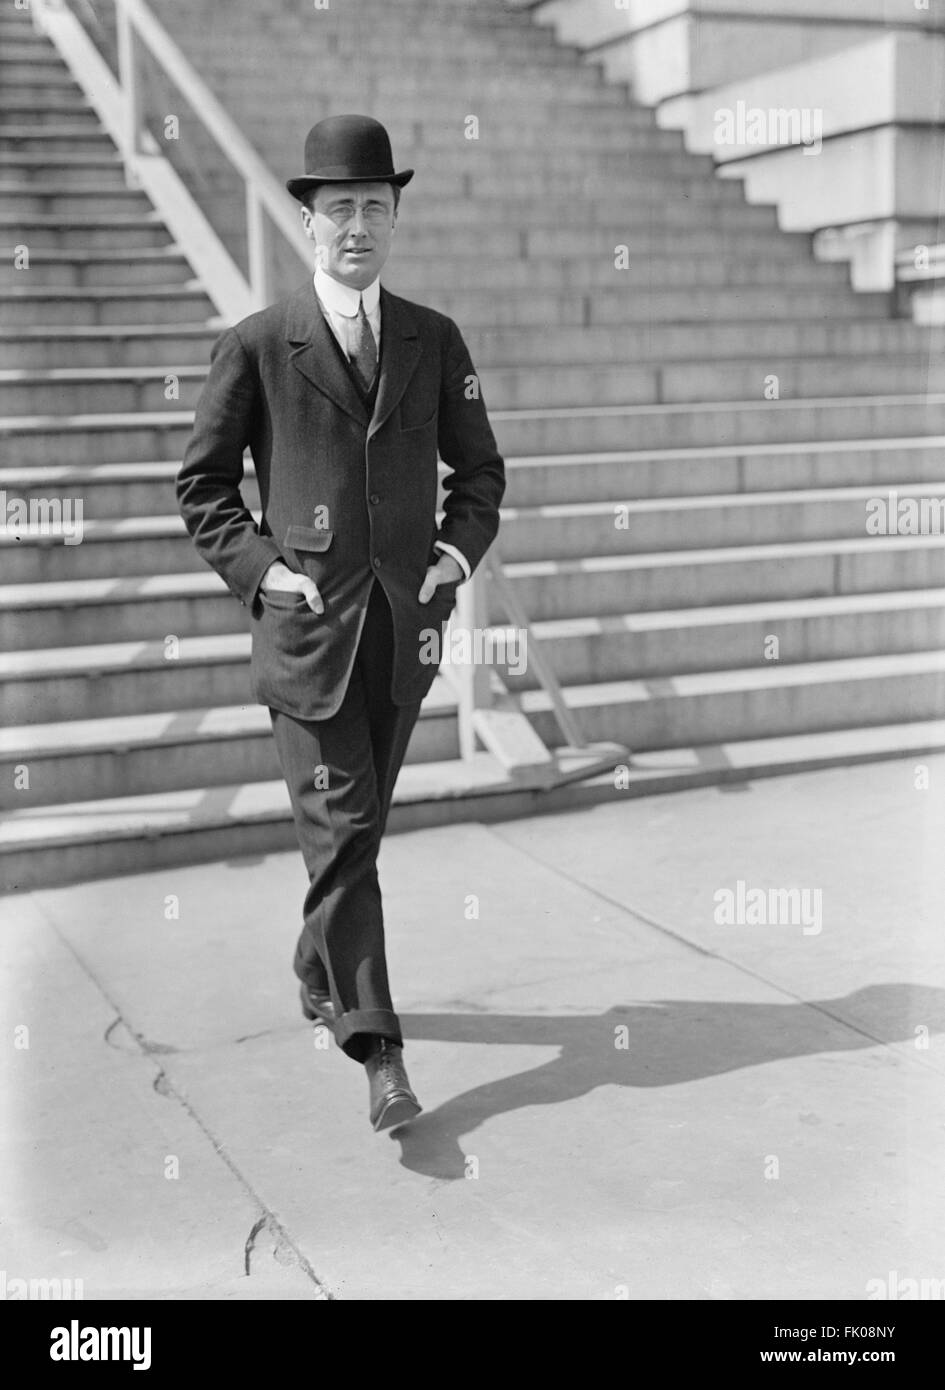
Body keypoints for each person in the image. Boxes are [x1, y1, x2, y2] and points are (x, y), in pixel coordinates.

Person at [176, 114, 505, 1131]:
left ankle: (316, 964)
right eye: (338, 209)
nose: (356, 225)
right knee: (351, 831)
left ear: (395, 218)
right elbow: (203, 487)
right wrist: (265, 571)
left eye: (374, 206)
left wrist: (451, 560)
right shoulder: (259, 345)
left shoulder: (433, 338)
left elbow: (482, 472)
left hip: (403, 641)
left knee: (348, 844)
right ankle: (381, 1051)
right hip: (308, 644)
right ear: (307, 222)